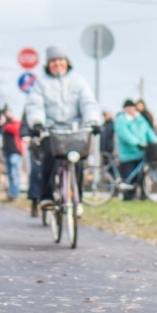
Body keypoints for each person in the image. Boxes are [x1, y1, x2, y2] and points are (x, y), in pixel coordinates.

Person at [23, 46, 100, 212]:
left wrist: (93, 121)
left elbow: (88, 103)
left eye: (60, 60)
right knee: (49, 158)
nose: (57, 64)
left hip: (75, 130)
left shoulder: (78, 81)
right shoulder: (41, 83)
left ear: (67, 62)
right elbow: (35, 105)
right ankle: (46, 196)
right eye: (54, 61)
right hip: (51, 129)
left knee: (78, 161)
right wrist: (37, 122)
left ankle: (77, 197)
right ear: (48, 64)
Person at [113, 99, 157, 201]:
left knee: (141, 176)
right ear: (125, 109)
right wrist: (137, 143)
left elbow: (148, 131)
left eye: (132, 107)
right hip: (127, 154)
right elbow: (125, 135)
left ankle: (143, 195)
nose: (131, 109)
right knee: (129, 177)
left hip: (140, 152)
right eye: (129, 107)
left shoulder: (140, 119)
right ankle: (128, 197)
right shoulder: (121, 120)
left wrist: (156, 142)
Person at [0, 108, 24, 201]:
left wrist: (4, 123)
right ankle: (11, 194)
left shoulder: (15, 122)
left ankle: (15, 194)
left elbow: (14, 130)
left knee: (15, 173)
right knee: (9, 174)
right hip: (6, 152)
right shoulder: (3, 124)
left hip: (15, 151)